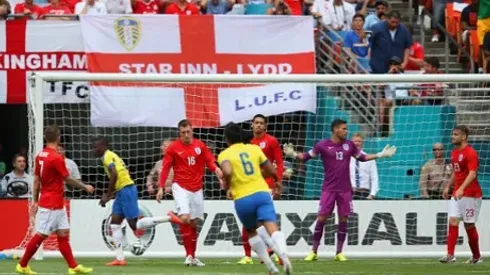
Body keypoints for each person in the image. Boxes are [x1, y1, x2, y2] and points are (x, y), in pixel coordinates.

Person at [283, 119, 396, 261]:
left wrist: (380, 155)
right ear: (335, 129)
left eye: (346, 129)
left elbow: (362, 157)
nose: (346, 131)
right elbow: (306, 156)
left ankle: (339, 253)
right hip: (328, 189)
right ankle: (313, 251)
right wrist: (293, 154)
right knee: (322, 218)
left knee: (343, 219)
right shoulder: (322, 145)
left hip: (345, 190)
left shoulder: (349, 145)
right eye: (343, 128)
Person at [16, 125, 94, 275]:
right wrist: (85, 187)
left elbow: (37, 180)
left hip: (56, 202)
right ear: (58, 138)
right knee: (42, 235)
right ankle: (23, 264)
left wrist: (35, 200)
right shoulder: (56, 157)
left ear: (46, 138)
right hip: (51, 203)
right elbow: (68, 179)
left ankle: (73, 266)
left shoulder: (40, 155)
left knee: (63, 234)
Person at [218, 122, 292, 275]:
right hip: (262, 193)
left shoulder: (224, 154)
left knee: (251, 231)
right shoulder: (254, 148)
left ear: (227, 139)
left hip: (243, 199)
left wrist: (228, 185)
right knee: (272, 227)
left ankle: (270, 266)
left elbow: (227, 170)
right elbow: (270, 168)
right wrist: (277, 181)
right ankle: (283, 255)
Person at [93, 137, 180, 267]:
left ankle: (169, 218)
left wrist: (107, 194)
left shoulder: (107, 156)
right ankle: (120, 258)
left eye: (96, 147)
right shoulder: (112, 156)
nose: (94, 150)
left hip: (126, 190)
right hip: (122, 190)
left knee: (135, 225)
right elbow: (123, 173)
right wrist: (113, 194)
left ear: (104, 146)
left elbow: (115, 174)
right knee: (115, 223)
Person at [156, 119, 223, 267]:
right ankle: (173, 217)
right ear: (179, 133)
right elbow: (166, 168)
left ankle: (192, 256)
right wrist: (161, 187)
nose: (186, 135)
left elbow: (210, 161)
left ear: (192, 130)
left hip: (197, 188)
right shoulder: (173, 148)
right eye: (183, 133)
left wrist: (217, 170)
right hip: (180, 186)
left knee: (193, 223)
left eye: (188, 132)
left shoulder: (200, 145)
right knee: (185, 218)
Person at [238, 114, 284, 265]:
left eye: (261, 123)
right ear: (251, 125)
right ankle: (249, 256)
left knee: (262, 221)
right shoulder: (247, 142)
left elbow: (279, 162)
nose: (258, 125)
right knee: (249, 222)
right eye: (256, 123)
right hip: (249, 186)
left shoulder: (271, 141)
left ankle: (274, 251)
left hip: (267, 186)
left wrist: (279, 182)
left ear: (265, 126)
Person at [440, 125, 482, 264]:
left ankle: (476, 257)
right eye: (452, 134)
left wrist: (462, 188)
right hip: (457, 192)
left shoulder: (471, 153)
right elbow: (455, 172)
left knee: (469, 226)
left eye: (456, 134)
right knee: (453, 221)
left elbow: (472, 173)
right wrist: (448, 186)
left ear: (464, 137)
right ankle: (450, 255)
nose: (453, 136)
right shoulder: (454, 152)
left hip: (470, 194)